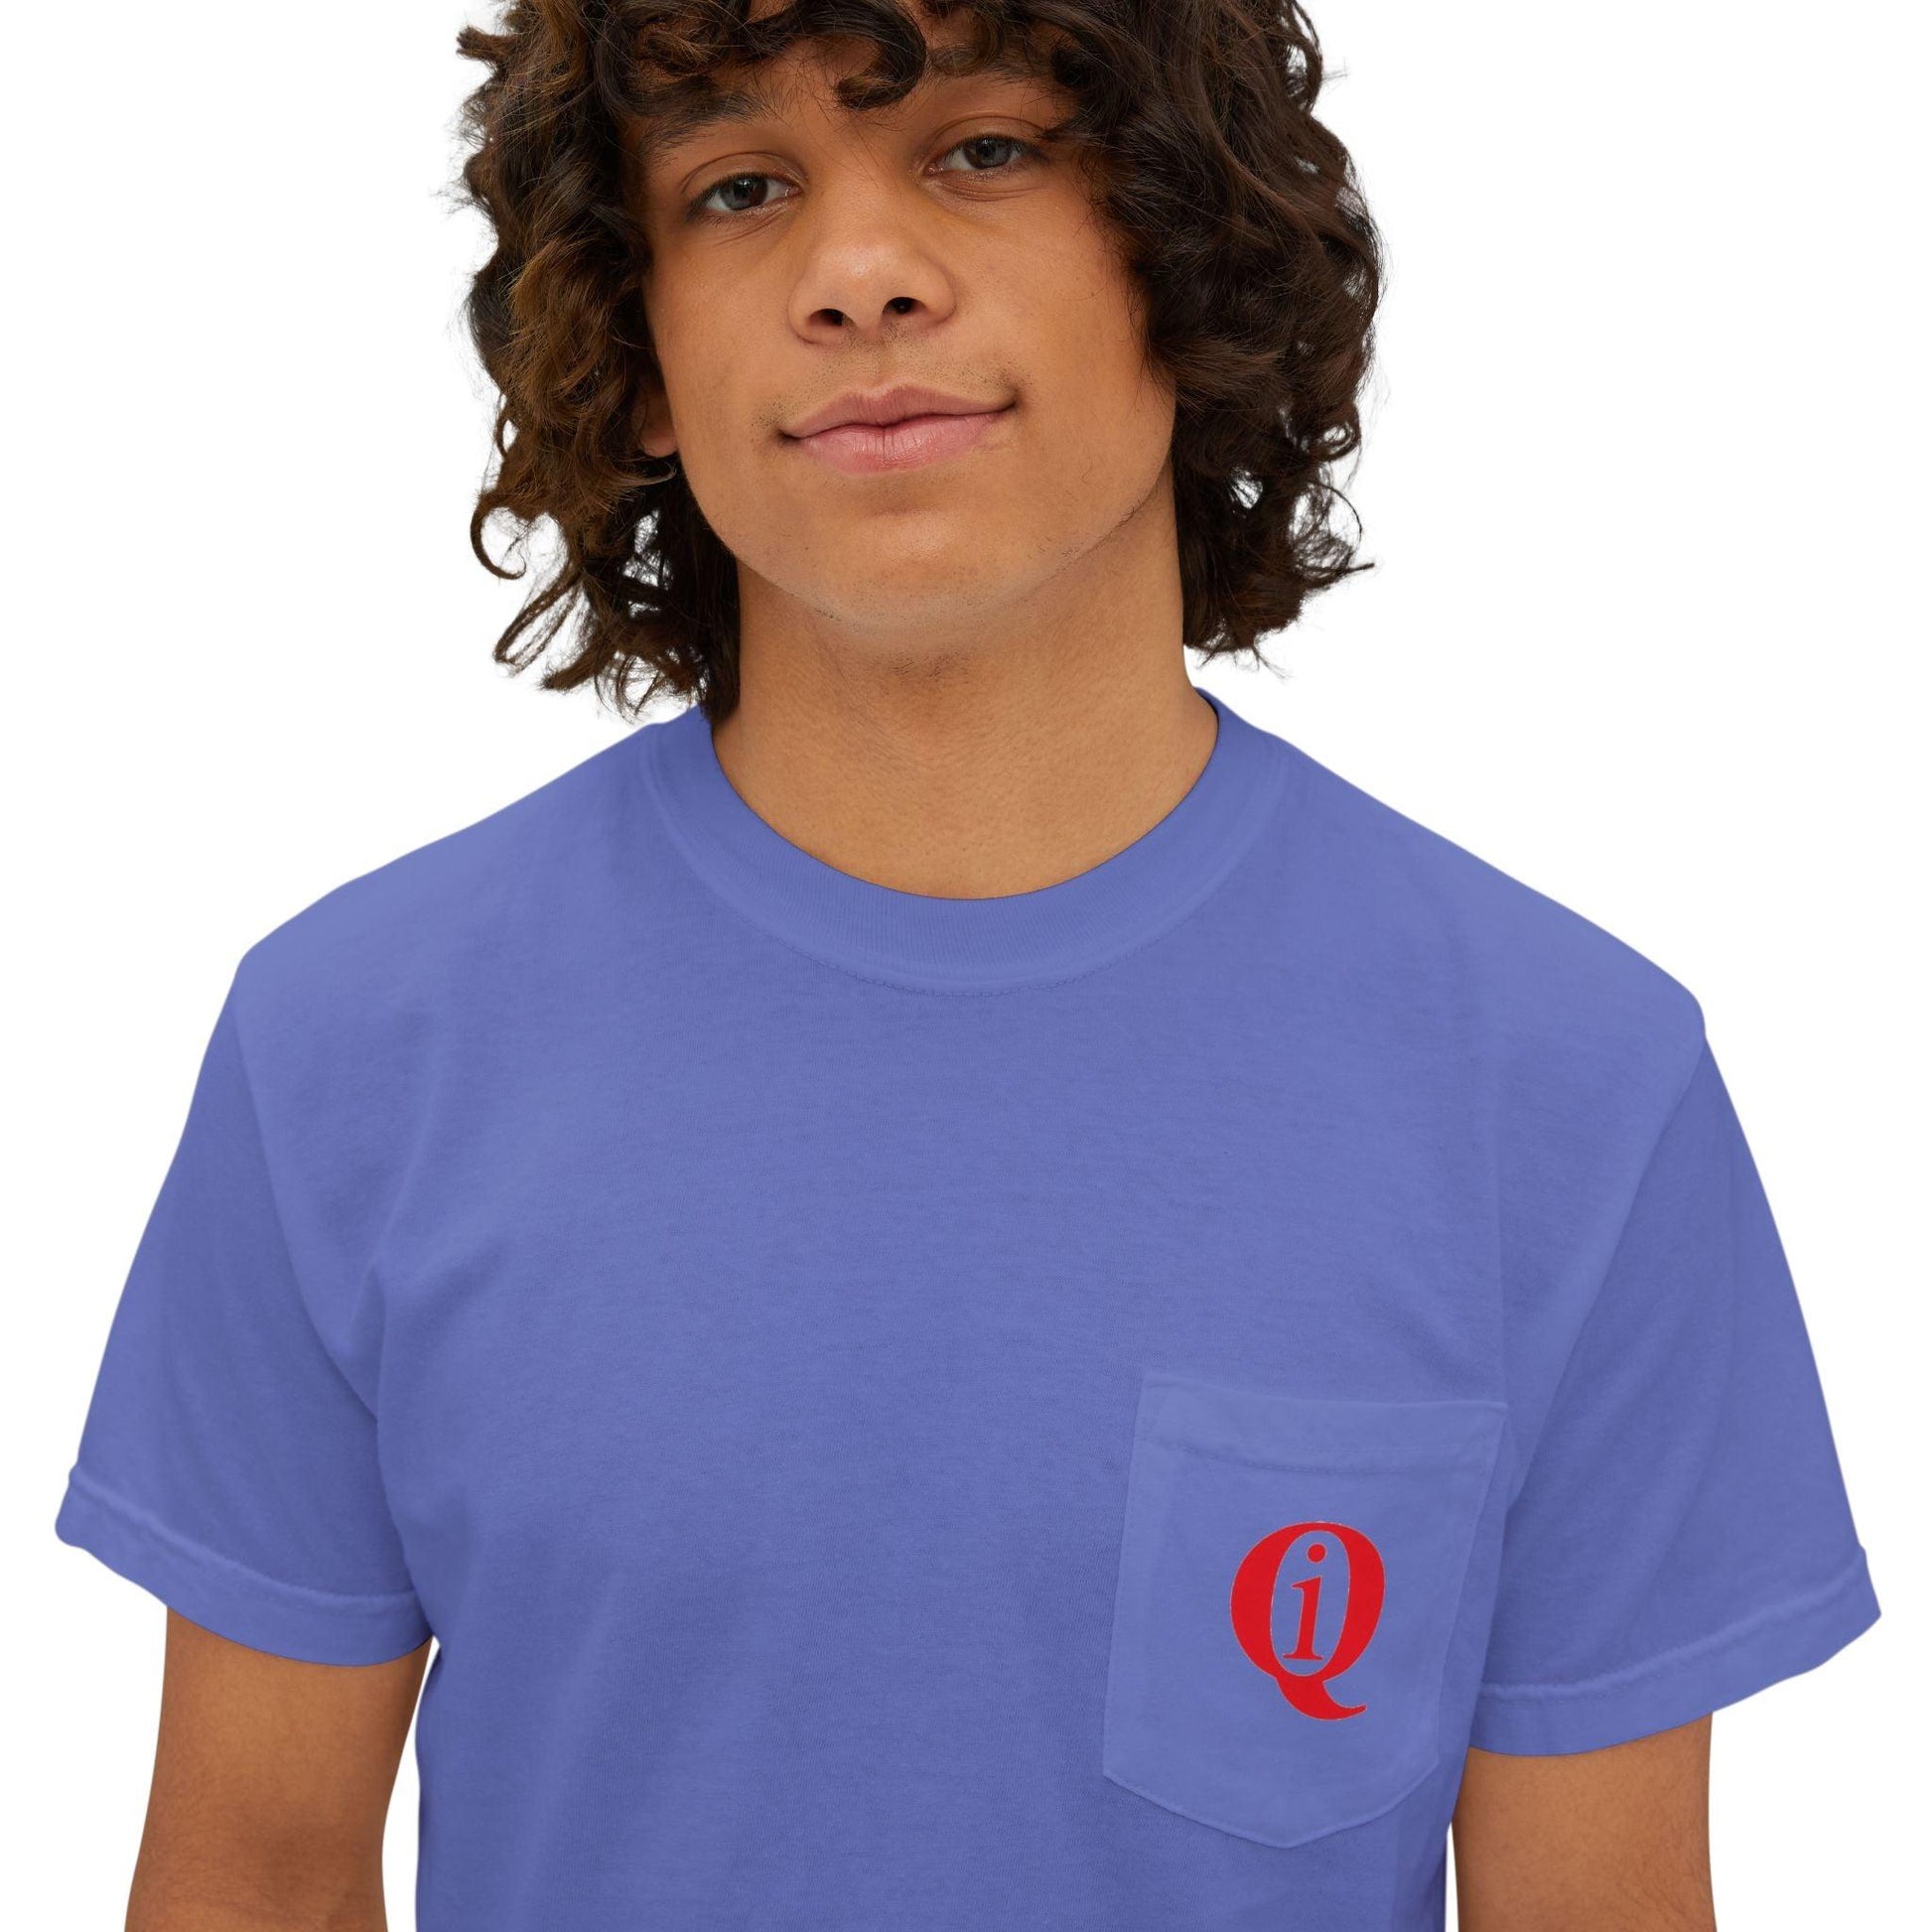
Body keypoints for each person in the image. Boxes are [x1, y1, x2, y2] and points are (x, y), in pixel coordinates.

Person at [54, 3, 1880, 1928]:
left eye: (983, 150)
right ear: (640, 350)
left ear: (1184, 259)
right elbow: (252, 1879)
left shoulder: (1567, 1084)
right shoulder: (351, 1047)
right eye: (738, 187)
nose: (858, 272)